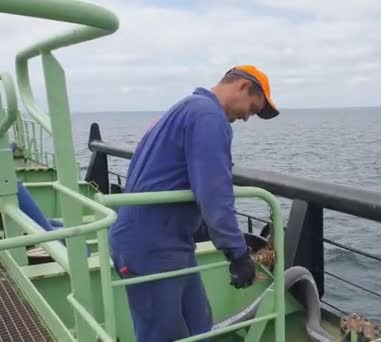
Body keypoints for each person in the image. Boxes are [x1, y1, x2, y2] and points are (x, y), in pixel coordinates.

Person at [108, 65, 279, 342]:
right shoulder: (209, 117)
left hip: (170, 242)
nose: (248, 117)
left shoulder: (187, 107)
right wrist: (237, 253)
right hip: (151, 247)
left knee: (199, 324)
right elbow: (214, 192)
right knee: (161, 333)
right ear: (244, 87)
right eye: (253, 107)